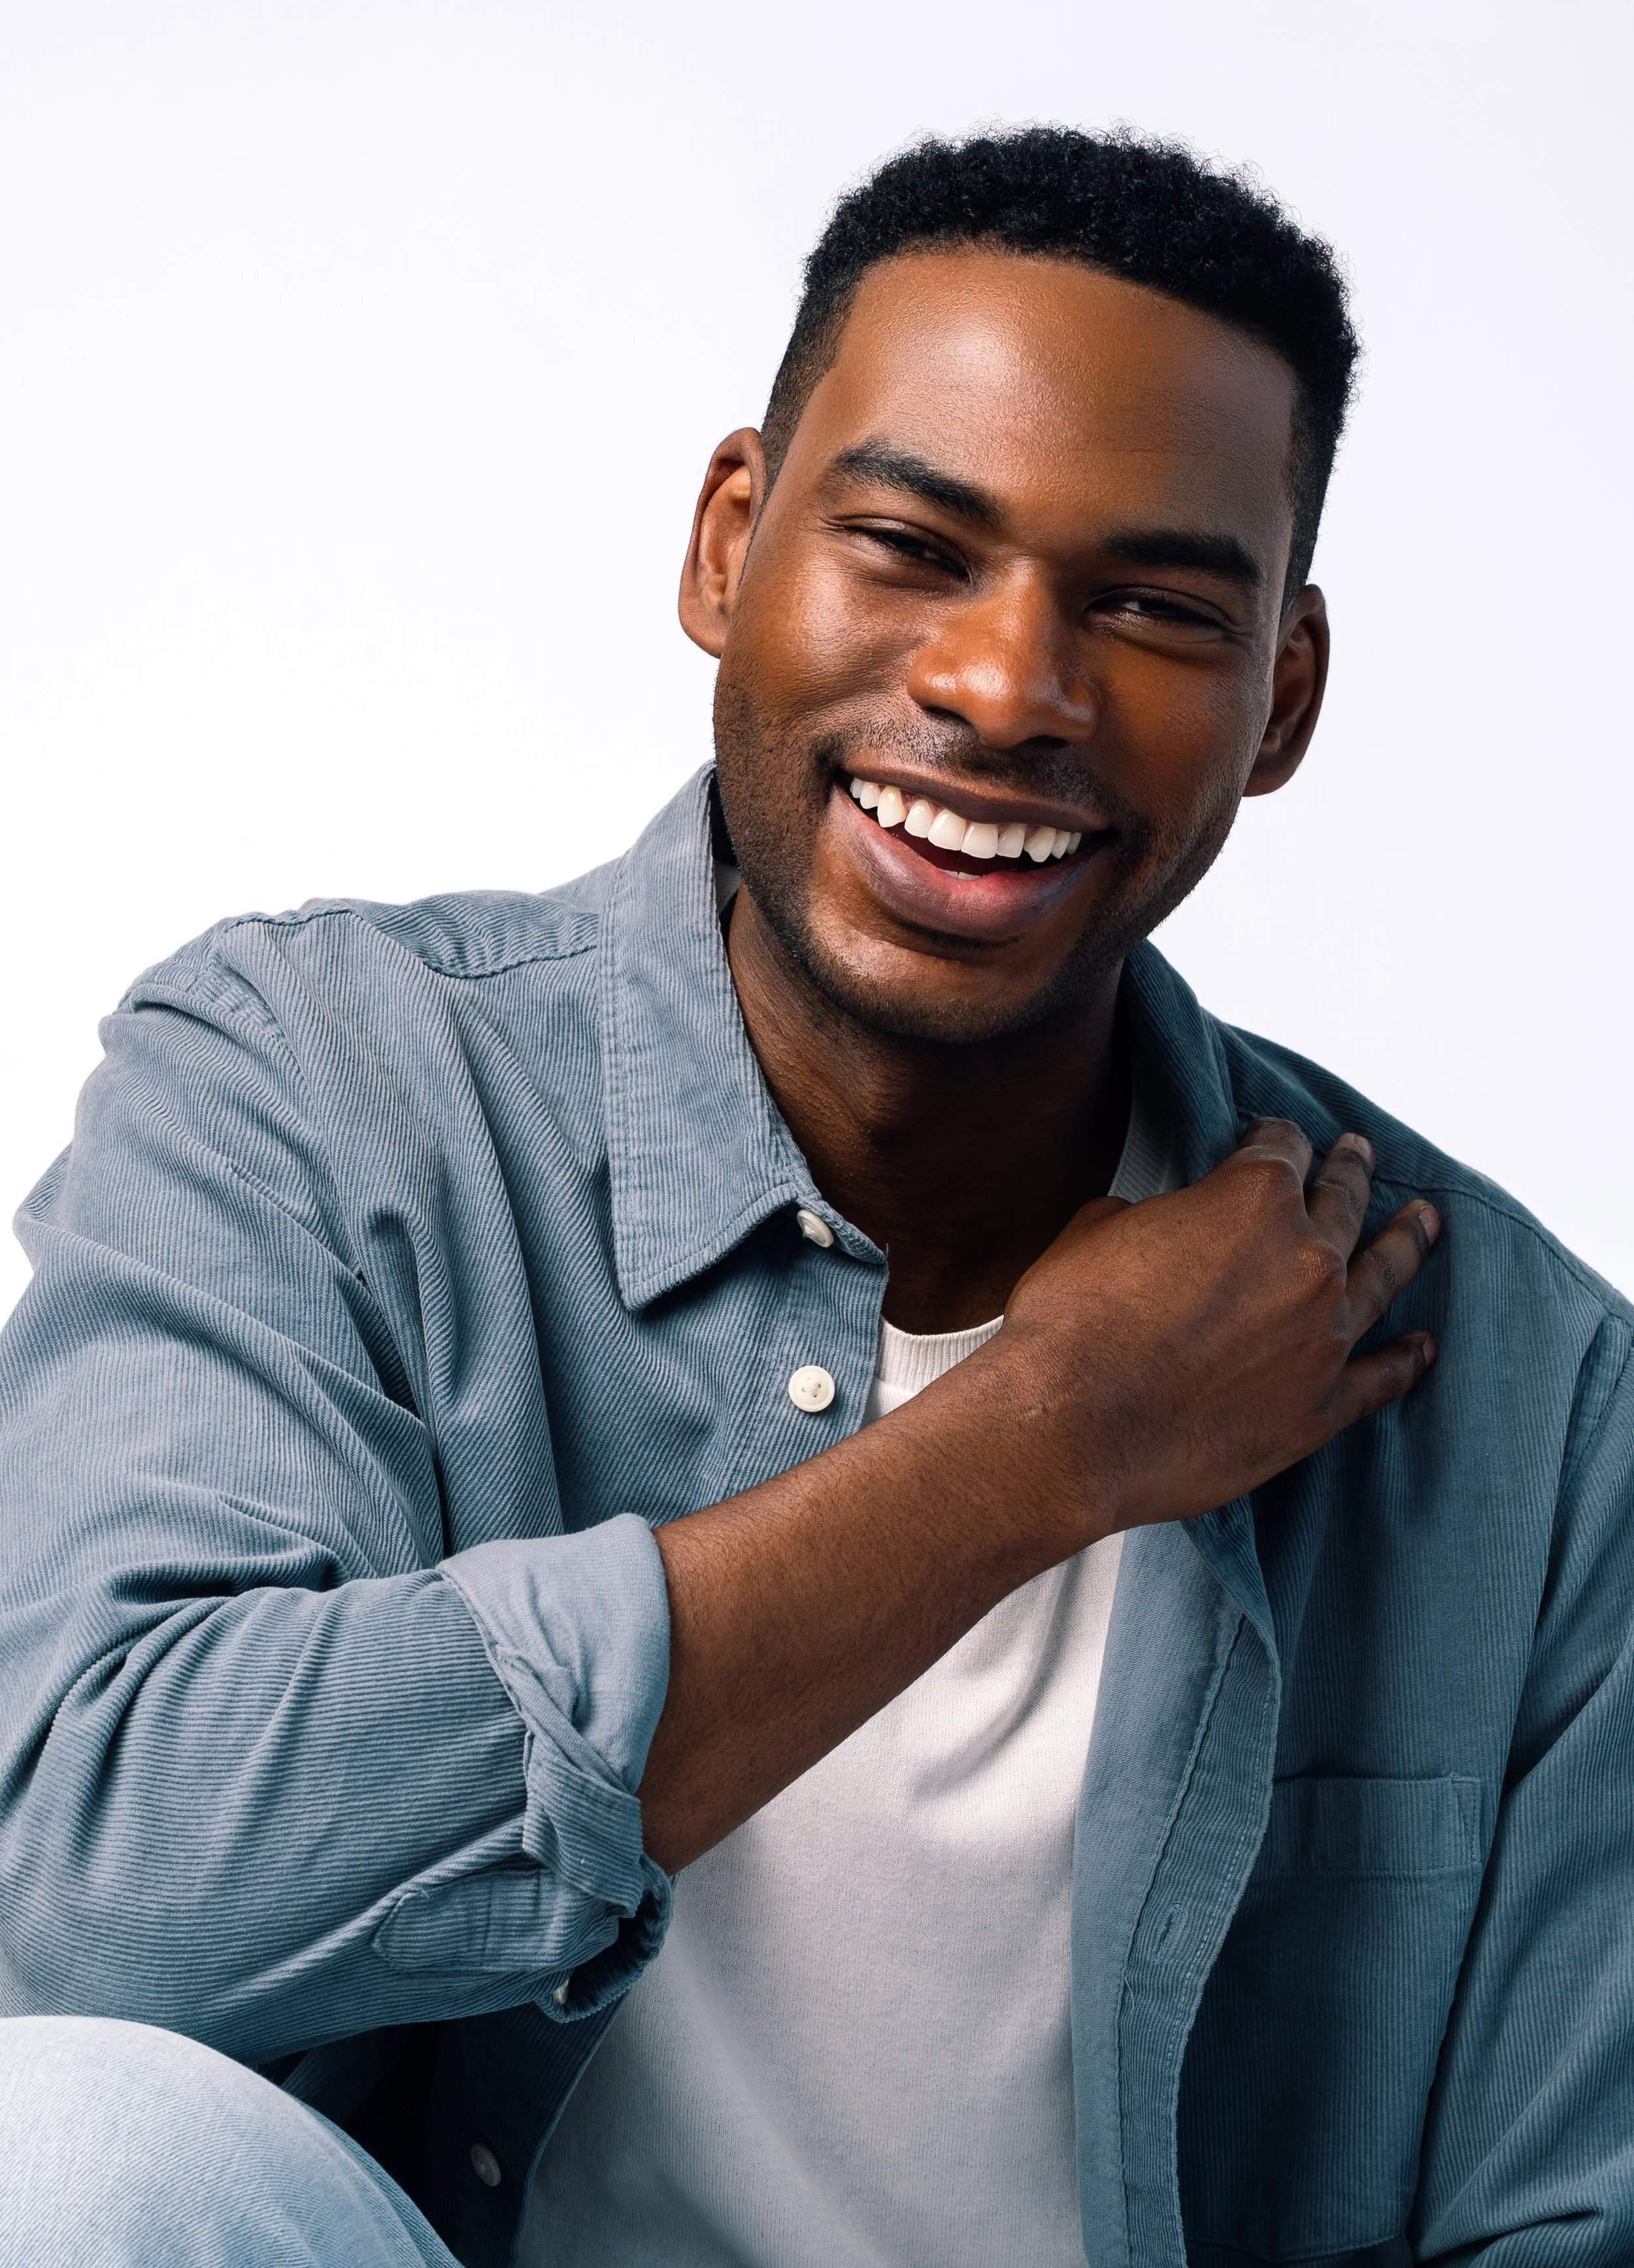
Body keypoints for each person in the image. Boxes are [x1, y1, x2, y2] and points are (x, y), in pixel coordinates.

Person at [0, 123, 1629, 2268]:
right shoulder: (325, 1098)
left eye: (1151, 607)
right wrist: (1038, 1441)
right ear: (730, 544)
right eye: (912, 546)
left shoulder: (1523, 1393)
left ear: (1281, 699)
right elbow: (95, 1891)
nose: (1004, 689)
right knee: (61, 2148)